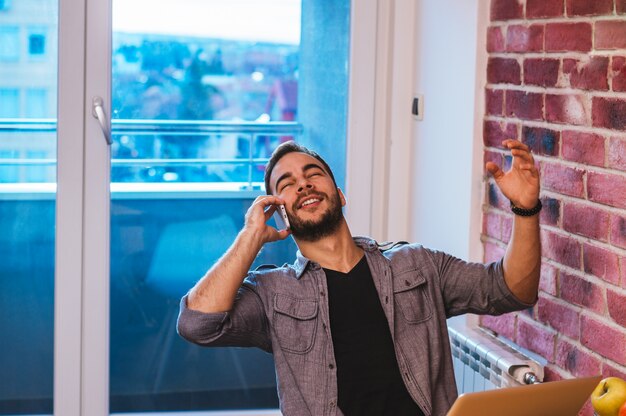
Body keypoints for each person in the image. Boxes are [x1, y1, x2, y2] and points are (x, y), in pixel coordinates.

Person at [177, 140, 542, 416]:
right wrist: (250, 237)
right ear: (280, 213)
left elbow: (511, 291)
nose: (303, 184)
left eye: (313, 174)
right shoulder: (273, 292)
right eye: (286, 184)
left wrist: (526, 210)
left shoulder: (416, 264)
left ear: (339, 195)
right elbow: (197, 324)